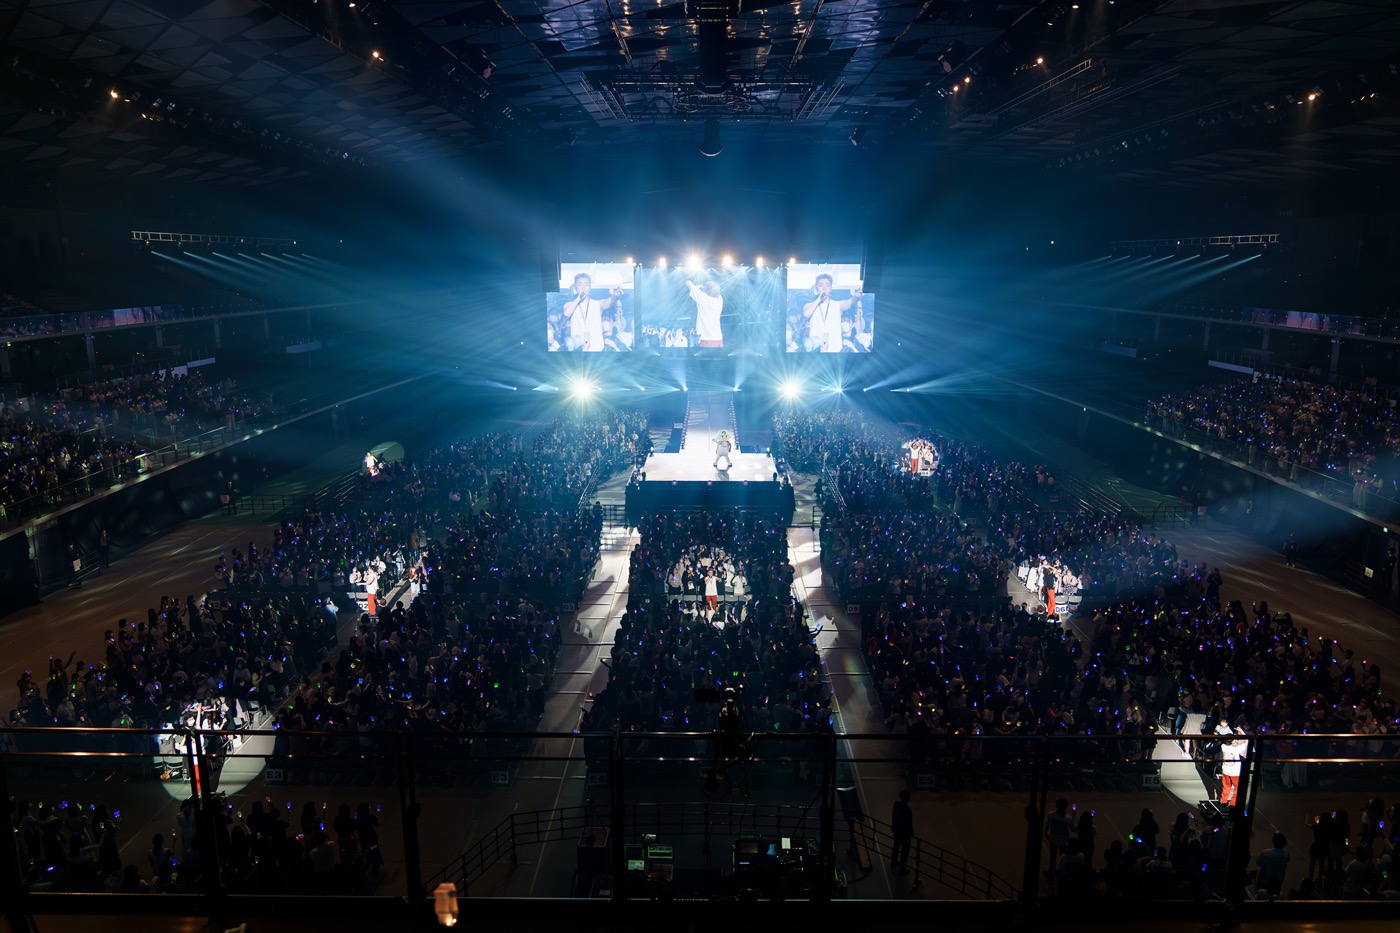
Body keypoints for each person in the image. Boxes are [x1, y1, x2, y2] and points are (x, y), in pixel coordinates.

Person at [802, 273, 862, 353]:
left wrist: (855, 297)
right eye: (821, 285)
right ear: (816, 288)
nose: (824, 288)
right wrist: (819, 299)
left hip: (835, 350)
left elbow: (849, 303)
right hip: (815, 351)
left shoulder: (837, 305)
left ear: (830, 288)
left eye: (827, 285)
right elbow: (806, 314)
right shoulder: (809, 305)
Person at [562, 272, 622, 352]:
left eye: (586, 284)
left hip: (596, 348)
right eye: (580, 284)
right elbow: (566, 314)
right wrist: (578, 298)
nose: (583, 287)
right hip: (577, 349)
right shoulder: (569, 304)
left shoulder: (597, 303)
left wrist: (615, 296)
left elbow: (609, 302)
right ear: (575, 288)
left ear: (590, 288)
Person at [686, 279, 723, 348]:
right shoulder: (720, 300)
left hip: (705, 339)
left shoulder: (703, 298)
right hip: (718, 338)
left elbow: (688, 283)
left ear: (706, 291)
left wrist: (700, 286)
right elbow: (717, 292)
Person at [1256, 831, 1290, 899]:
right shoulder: (1286, 854)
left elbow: (1258, 863)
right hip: (1278, 881)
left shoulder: (1266, 853)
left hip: (1264, 880)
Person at [891, 789, 913, 876]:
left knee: (896, 846)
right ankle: (902, 869)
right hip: (905, 834)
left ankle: (894, 862)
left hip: (897, 831)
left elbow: (894, 816)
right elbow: (908, 825)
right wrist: (910, 834)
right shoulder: (908, 811)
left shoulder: (896, 805)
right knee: (905, 852)